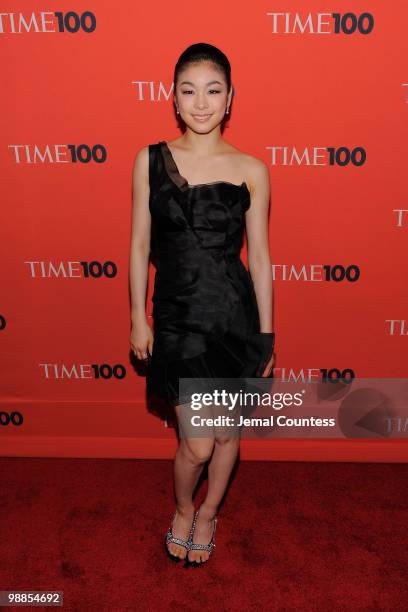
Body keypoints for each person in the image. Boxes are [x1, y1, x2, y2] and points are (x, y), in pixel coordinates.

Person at [129, 42, 275, 566]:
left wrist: (267, 334)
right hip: (177, 319)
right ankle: (184, 507)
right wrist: (136, 317)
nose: (201, 102)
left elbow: (259, 259)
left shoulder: (253, 169)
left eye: (213, 91)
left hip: (233, 319)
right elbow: (138, 246)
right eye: (189, 91)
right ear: (173, 96)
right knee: (197, 444)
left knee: (227, 434)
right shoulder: (149, 160)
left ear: (230, 97)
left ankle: (210, 513)